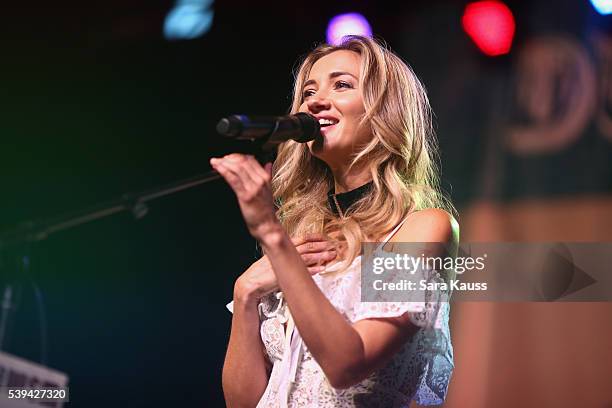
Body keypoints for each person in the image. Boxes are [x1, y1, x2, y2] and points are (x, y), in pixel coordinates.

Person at [211, 35, 458, 408]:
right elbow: (242, 403)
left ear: (384, 110)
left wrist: (272, 237)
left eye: (341, 85)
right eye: (309, 92)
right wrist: (245, 293)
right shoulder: (302, 238)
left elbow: (347, 364)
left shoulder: (422, 228)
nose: (314, 101)